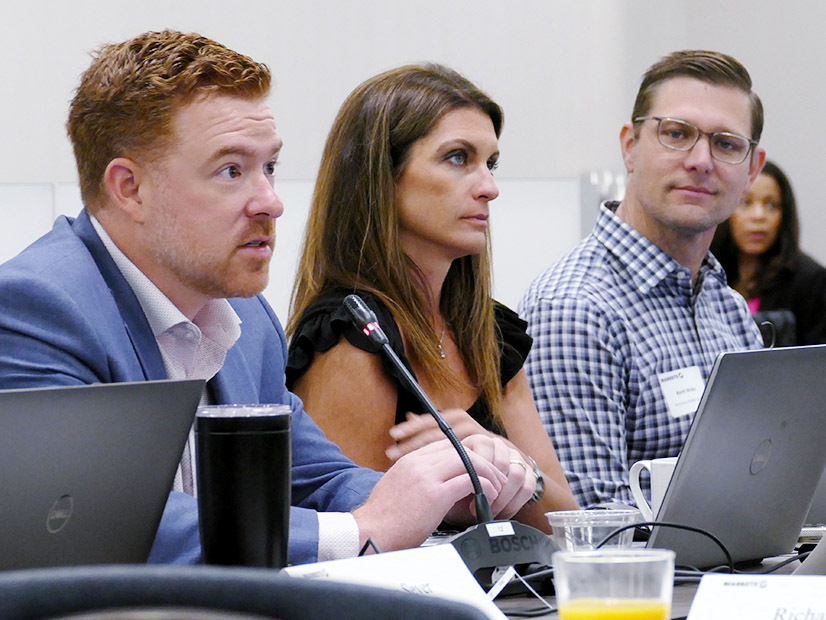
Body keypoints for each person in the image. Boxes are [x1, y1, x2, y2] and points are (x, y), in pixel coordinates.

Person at [0, 30, 534, 565]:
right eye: (232, 170)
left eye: (270, 167)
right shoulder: (37, 308)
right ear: (129, 188)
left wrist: (443, 492)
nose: (271, 202)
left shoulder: (243, 317)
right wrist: (359, 531)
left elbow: (315, 476)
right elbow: (98, 524)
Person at [285, 64, 578, 533]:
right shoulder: (350, 334)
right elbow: (360, 541)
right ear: (382, 176)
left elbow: (566, 526)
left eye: (491, 163)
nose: (489, 187)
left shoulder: (491, 331)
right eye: (458, 158)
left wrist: (500, 458)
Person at [519, 50, 766, 508]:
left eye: (727, 144)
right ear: (630, 146)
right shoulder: (576, 308)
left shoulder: (727, 307)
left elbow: (762, 485)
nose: (700, 160)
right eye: (676, 134)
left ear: (752, 168)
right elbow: (597, 534)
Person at [711, 161, 826, 346]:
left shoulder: (810, 280)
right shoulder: (705, 273)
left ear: (784, 215)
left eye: (771, 205)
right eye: (745, 202)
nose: (759, 216)